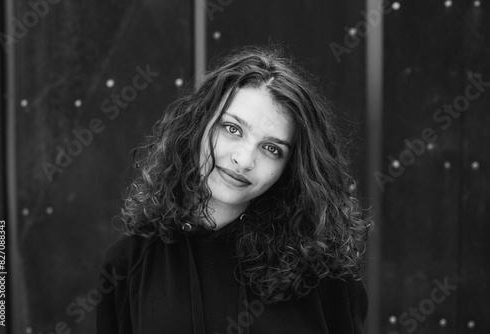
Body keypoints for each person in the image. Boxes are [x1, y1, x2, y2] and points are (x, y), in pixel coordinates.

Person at [96, 46, 371, 334]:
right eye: (232, 129)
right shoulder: (129, 264)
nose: (244, 159)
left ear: (290, 167)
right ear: (199, 125)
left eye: (271, 148)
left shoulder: (324, 273)